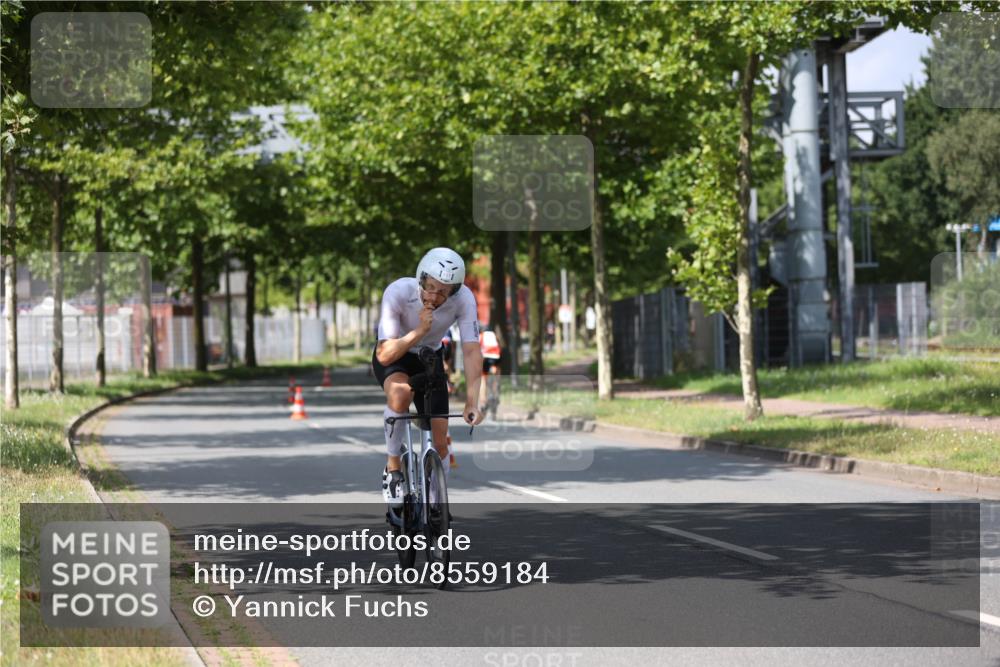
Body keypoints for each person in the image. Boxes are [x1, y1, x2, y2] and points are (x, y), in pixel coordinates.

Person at [371, 247, 484, 506]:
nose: (434, 296)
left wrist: (472, 401)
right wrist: (420, 331)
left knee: (441, 441)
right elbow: (384, 355)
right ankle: (393, 468)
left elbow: (471, 350)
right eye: (430, 287)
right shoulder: (398, 292)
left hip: (430, 358)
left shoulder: (464, 299)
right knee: (400, 394)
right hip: (397, 354)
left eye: (444, 292)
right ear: (420, 277)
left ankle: (436, 504)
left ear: (454, 291)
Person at [479, 322, 502, 411]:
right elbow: (499, 347)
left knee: (483, 380)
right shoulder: (494, 336)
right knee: (496, 376)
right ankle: (495, 395)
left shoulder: (481, 335)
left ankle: (483, 402)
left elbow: (477, 349)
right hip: (496, 357)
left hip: (486, 357)